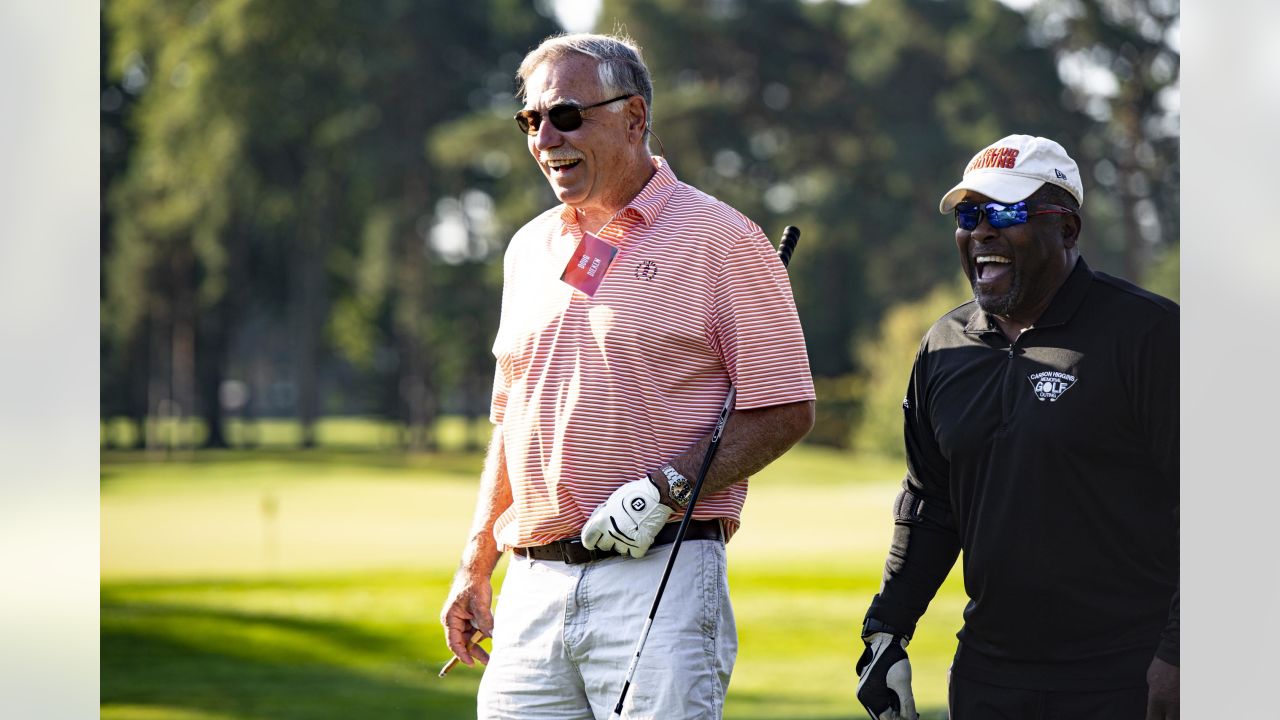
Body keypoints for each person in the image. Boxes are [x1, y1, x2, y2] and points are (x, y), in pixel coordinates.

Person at [439, 33, 815, 720]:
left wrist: (667, 489)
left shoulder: (722, 239)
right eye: (531, 119)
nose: (546, 136)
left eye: (568, 115)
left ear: (635, 117)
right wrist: (476, 563)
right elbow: (512, 420)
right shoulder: (529, 249)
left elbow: (785, 407)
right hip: (532, 591)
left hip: (660, 580)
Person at [853, 134, 1178, 720]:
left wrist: (1183, 656)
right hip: (988, 676)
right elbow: (930, 502)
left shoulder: (1150, 335)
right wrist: (888, 630)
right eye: (970, 214)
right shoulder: (943, 348)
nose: (981, 230)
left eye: (1006, 212)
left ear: (1068, 230)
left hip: (1125, 673)